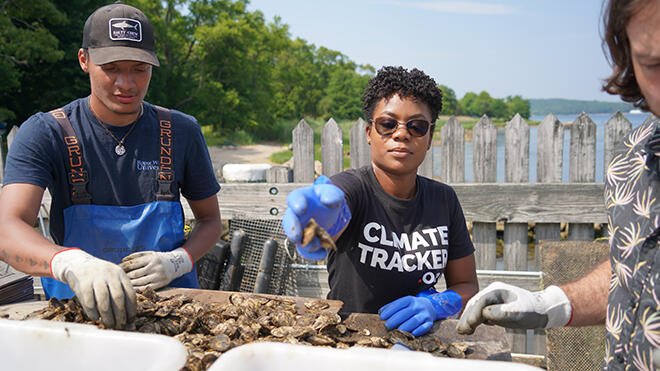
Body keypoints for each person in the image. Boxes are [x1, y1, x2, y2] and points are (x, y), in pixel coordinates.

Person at [456, 0, 660, 369]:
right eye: (655, 65)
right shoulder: (634, 157)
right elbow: (637, 269)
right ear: (628, 56)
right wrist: (550, 303)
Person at [0, 3, 221, 329]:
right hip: (79, 318)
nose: (127, 83)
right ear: (84, 60)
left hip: (173, 314)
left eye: (139, 68)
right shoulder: (46, 132)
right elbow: (7, 229)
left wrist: (178, 260)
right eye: (112, 67)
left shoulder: (180, 131)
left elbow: (211, 220)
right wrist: (70, 262)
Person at [282, 66, 479, 337]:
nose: (401, 134)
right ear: (369, 133)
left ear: (430, 137)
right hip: (348, 341)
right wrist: (314, 226)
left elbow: (467, 284)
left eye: (417, 126)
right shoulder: (354, 189)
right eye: (388, 124)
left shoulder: (443, 200)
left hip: (419, 342)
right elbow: (332, 212)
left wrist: (438, 304)